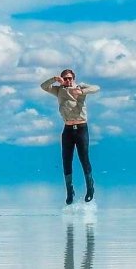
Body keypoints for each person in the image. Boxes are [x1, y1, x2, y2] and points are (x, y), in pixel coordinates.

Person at [40, 69, 101, 204]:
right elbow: (43, 87)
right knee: (66, 161)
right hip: (67, 129)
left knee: (84, 159)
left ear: (73, 78)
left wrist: (82, 91)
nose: (67, 81)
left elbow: (97, 88)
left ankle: (90, 188)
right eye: (65, 78)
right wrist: (54, 79)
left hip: (81, 129)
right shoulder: (59, 90)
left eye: (69, 78)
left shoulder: (80, 86)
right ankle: (69, 191)